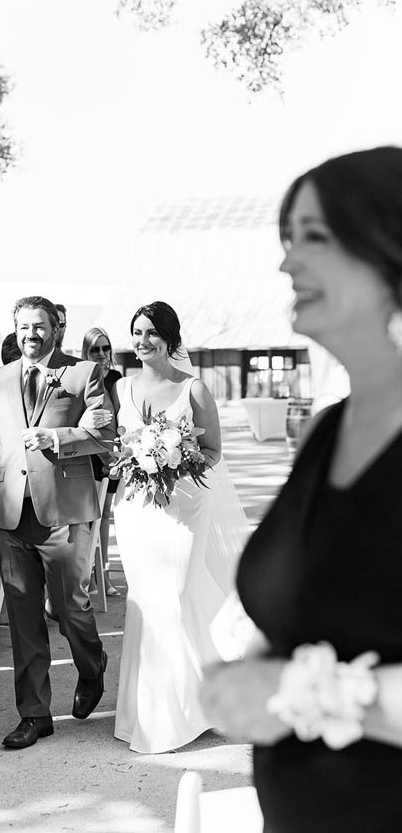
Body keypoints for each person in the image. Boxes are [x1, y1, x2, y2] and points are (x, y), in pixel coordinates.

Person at [200, 147, 402, 832]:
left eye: (314, 237)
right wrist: (248, 668)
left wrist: (297, 694)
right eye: (287, 240)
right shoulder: (324, 434)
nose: (288, 263)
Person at [0, 295, 116, 749]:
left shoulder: (83, 373)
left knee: (70, 610)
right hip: (12, 514)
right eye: (23, 326)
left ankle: (92, 666)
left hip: (65, 512)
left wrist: (59, 437)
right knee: (23, 618)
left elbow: (106, 435)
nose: (31, 334)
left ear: (56, 329)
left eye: (40, 326)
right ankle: (34, 714)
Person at [108, 301, 247, 754]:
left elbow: (213, 452)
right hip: (136, 508)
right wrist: (141, 460)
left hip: (187, 505)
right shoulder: (122, 388)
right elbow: (117, 448)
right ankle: (153, 711)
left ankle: (193, 704)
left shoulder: (195, 389)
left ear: (170, 338)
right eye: (137, 332)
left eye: (151, 333)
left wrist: (174, 460)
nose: (142, 341)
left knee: (179, 593)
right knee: (146, 599)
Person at [81, 327, 122, 597]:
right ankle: (87, 577)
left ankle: (104, 574)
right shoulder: (82, 376)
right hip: (89, 455)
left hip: (113, 454)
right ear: (87, 351)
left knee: (106, 515)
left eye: (105, 348)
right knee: (88, 519)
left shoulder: (117, 379)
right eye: (95, 349)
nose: (101, 354)